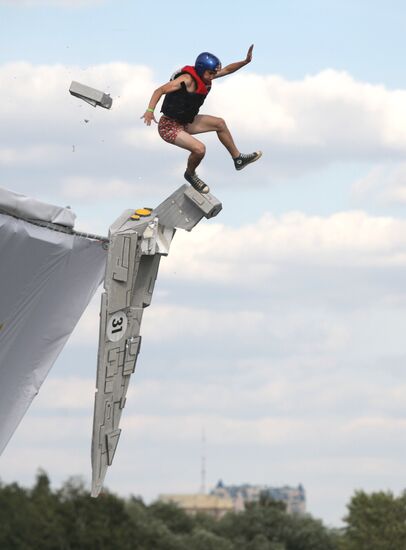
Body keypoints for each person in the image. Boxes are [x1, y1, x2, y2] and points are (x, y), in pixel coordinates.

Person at [141, 45, 262, 194]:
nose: (213, 77)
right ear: (200, 69)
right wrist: (150, 111)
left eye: (214, 73)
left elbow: (228, 70)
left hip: (186, 122)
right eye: (210, 73)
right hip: (169, 126)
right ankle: (190, 174)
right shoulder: (186, 79)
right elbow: (159, 90)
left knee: (220, 123)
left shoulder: (206, 75)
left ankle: (238, 159)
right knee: (200, 149)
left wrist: (245, 61)